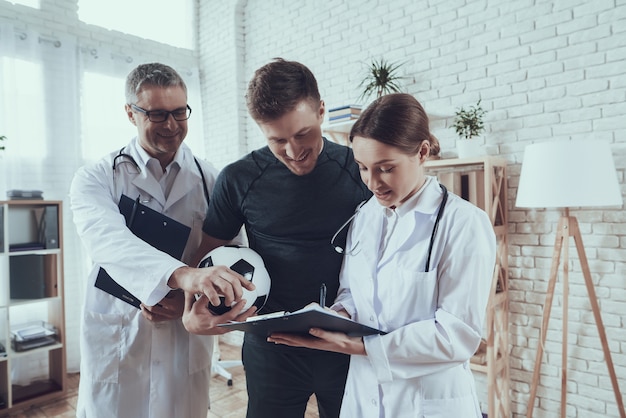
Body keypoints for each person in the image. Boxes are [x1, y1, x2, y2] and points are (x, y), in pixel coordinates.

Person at [268, 93, 497, 417]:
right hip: (364, 394)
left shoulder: (464, 224)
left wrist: (359, 347)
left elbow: (456, 336)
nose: (373, 183)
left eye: (386, 168)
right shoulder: (364, 216)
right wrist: (333, 317)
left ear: (422, 152)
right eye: (363, 167)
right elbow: (352, 292)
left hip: (427, 400)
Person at [184, 58, 372, 418]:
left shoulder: (358, 170)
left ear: (320, 111)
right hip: (272, 348)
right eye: (277, 140)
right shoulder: (238, 179)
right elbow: (206, 260)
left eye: (302, 134)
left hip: (346, 344)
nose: (292, 150)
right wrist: (190, 315)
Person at [69, 62, 255, 418]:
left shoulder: (212, 180)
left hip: (183, 333)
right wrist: (183, 277)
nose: (171, 125)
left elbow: (232, 256)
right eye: (157, 114)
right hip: (121, 330)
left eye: (179, 112)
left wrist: (190, 297)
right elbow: (108, 241)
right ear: (130, 113)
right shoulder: (97, 177)